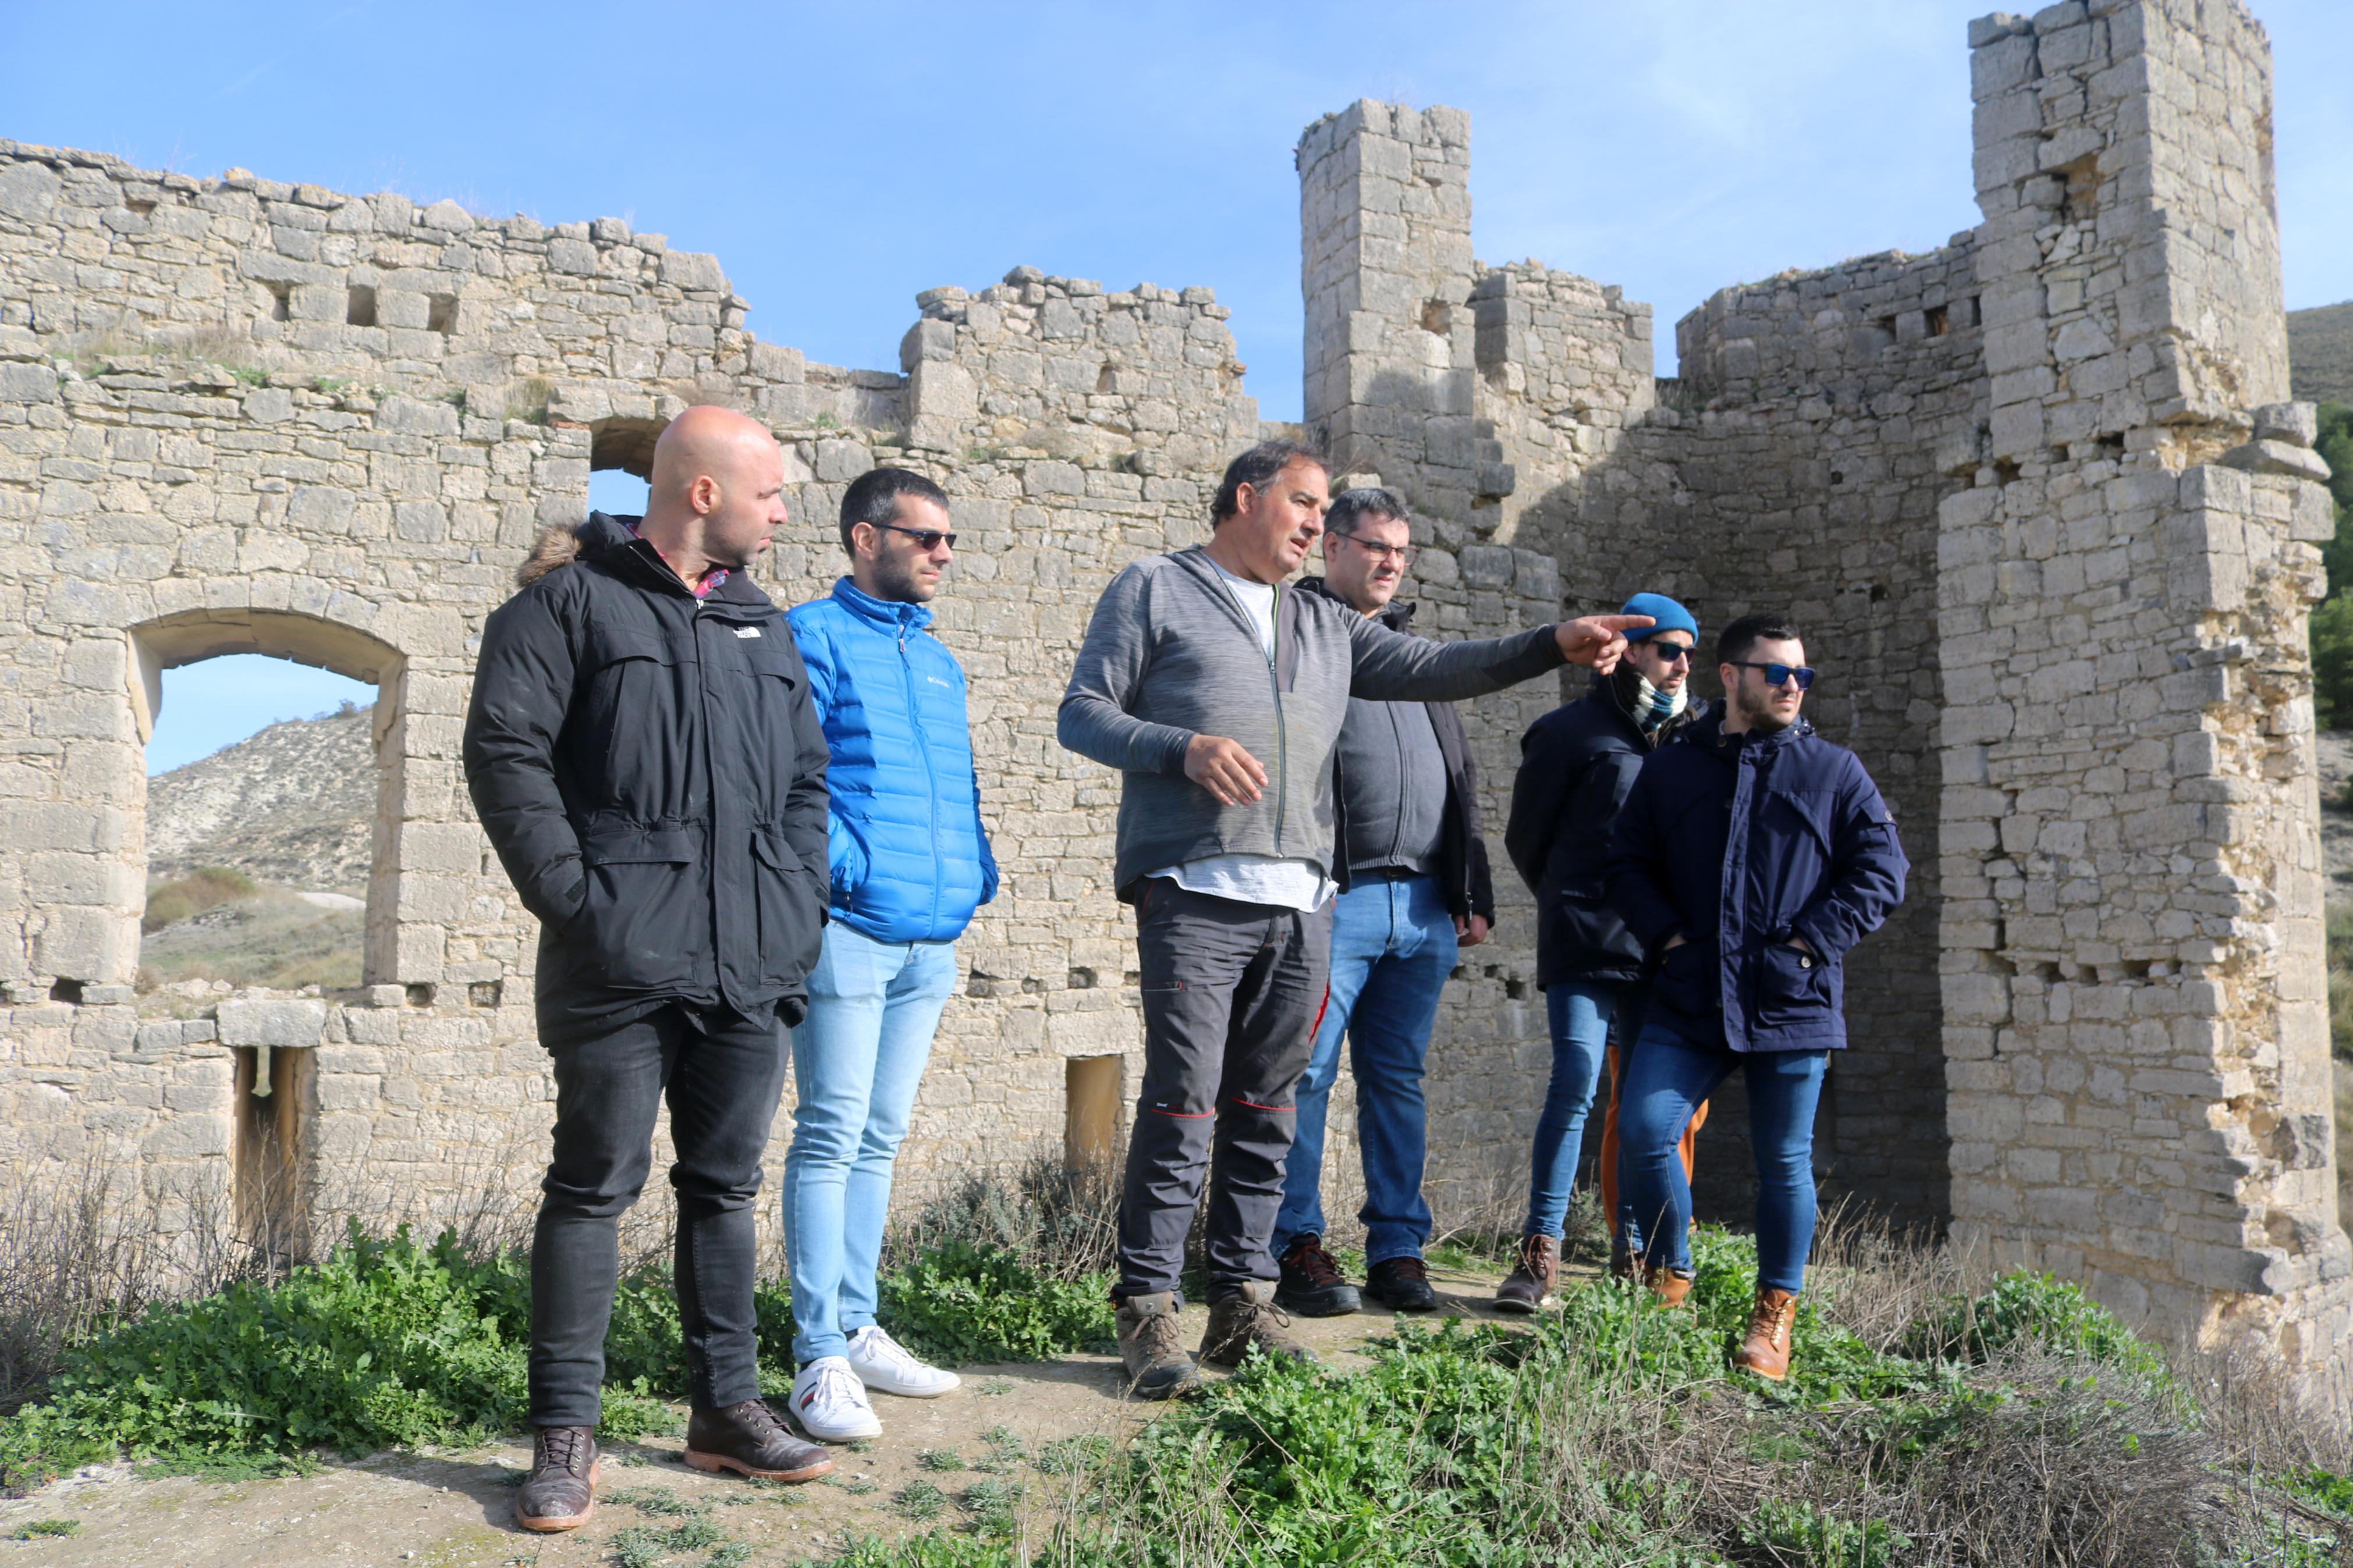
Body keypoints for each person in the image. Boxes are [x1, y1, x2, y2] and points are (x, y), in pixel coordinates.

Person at [1057, 439, 1650, 1398]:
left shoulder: (1324, 621)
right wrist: (1183, 748)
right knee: (1182, 1103)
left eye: (1321, 505)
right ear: (1244, 496)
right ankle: (1147, 1311)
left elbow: (1441, 666)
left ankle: (1243, 1303)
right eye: (1301, 503)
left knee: (1264, 1112)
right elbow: (1080, 712)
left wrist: (1553, 643)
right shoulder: (1155, 588)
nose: (1312, 522)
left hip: (1302, 901)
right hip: (1194, 890)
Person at [464, 406, 836, 1531]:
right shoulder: (564, 607)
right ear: (704, 493)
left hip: (751, 959)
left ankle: (725, 1409)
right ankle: (564, 1438)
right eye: (769, 493)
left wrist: (795, 905)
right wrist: (579, 905)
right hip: (618, 960)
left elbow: (807, 782)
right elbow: (504, 754)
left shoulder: (763, 626)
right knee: (591, 1191)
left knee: (724, 1191)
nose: (784, 513)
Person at [1605, 612, 1907, 1381]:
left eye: (1801, 675)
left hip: (1790, 998)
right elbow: (1626, 862)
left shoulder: (1834, 772)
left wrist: (1807, 943)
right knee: (1642, 1126)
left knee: (1783, 1162)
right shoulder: (1672, 767)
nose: (1792, 687)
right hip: (1689, 994)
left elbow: (1881, 873)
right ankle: (1670, 1277)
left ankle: (1772, 1316)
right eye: (1777, 673)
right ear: (1730, 676)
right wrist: (1668, 939)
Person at [779, 468, 996, 1442]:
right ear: (866, 539)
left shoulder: (938, 660)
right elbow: (787, 777)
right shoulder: (809, 636)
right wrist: (850, 872)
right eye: (926, 539)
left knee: (878, 1136)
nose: (943, 554)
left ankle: (859, 1326)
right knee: (828, 1134)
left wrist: (977, 871)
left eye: (948, 540)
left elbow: (955, 779)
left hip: (930, 938)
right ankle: (817, 1354)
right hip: (849, 931)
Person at [1268, 488, 1497, 1320]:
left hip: (1425, 908)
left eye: (1400, 549)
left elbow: (1460, 779)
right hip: (1338, 899)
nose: (1389, 561)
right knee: (1307, 1074)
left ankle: (1396, 1249)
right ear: (1330, 546)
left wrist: (1471, 890)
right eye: (1373, 546)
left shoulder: (1409, 650)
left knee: (1396, 1082)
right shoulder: (1295, 634)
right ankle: (1293, 1243)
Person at [1495, 593, 1709, 1312]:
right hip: (1585, 941)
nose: (1682, 664)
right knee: (1576, 1081)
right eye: (1668, 649)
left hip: (1662, 948)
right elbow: (1528, 840)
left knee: (1647, 1106)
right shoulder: (1566, 733)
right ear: (1632, 650)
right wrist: (1571, 902)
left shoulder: (1696, 737)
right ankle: (1539, 1253)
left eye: (1688, 652)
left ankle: (1635, 1252)